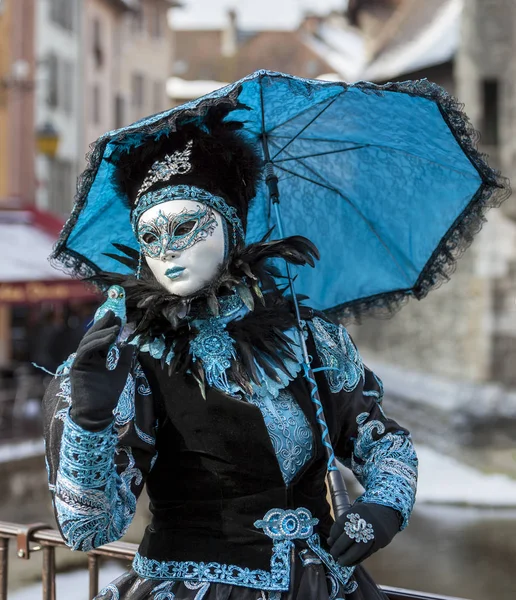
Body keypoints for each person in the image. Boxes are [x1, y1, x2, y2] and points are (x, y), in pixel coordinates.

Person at [42, 107, 417, 600]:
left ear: (232, 227)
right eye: (150, 237)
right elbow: (89, 530)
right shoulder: (130, 358)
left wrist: (383, 508)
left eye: (185, 226)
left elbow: (384, 444)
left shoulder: (309, 338)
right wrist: (90, 420)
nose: (168, 251)